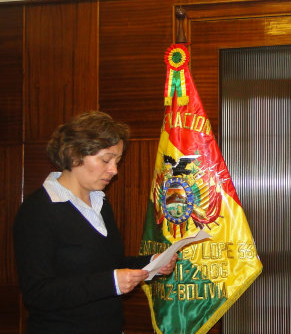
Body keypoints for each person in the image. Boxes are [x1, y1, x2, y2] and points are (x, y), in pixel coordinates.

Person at [13, 111, 177, 334]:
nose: (114, 170)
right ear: (74, 154)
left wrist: (152, 263)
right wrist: (111, 283)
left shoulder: (100, 202)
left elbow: (108, 265)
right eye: (106, 160)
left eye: (117, 161)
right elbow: (38, 293)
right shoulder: (37, 210)